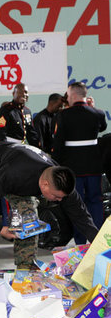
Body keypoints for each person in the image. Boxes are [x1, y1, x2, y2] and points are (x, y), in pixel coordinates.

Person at [0, 142, 98, 281]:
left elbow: (81, 215)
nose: (59, 200)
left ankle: (24, 270)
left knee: (29, 222)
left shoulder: (59, 180)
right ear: (45, 185)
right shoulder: (14, 173)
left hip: (19, 174)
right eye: (56, 197)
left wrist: (98, 243)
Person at [52, 82, 107, 243]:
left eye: (68, 96)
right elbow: (103, 127)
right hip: (94, 168)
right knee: (96, 202)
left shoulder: (63, 115)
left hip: (72, 169)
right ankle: (98, 242)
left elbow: (58, 144)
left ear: (73, 95)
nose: (67, 99)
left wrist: (56, 165)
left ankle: (80, 243)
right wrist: (94, 107)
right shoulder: (98, 113)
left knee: (76, 205)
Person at [0, 83, 40, 147]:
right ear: (13, 94)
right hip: (9, 146)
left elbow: (31, 133)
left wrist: (38, 148)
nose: (24, 94)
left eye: (26, 92)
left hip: (21, 146)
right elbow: (0, 133)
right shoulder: (6, 109)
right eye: (20, 92)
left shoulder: (27, 111)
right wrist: (3, 148)